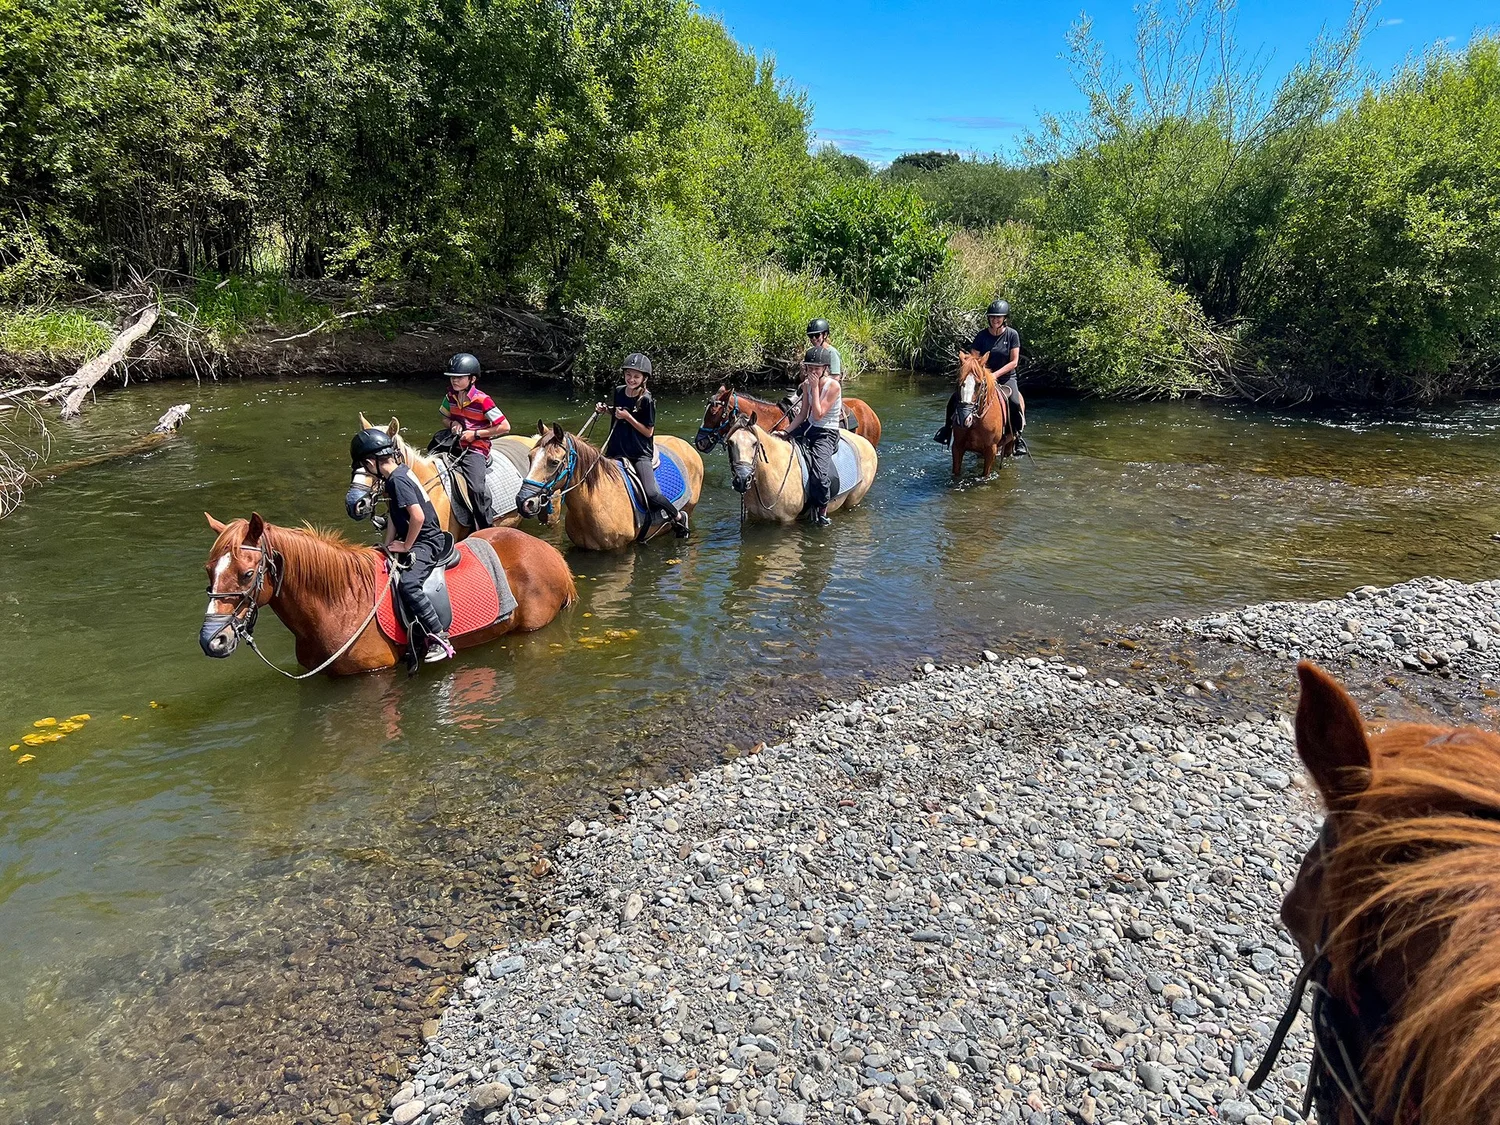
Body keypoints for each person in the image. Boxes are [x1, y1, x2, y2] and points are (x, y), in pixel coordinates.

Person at [350, 428, 455, 663]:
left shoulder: (397, 481)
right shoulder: (398, 474)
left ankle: (440, 636)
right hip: (414, 537)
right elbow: (395, 517)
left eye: (364, 467)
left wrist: (407, 546)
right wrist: (385, 546)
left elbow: (416, 517)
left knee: (409, 584)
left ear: (370, 463)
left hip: (426, 542)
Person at [596, 353, 689, 538]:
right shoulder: (619, 391)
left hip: (639, 452)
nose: (631, 379)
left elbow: (648, 432)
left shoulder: (646, 400)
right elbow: (618, 412)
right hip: (616, 447)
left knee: (651, 493)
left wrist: (628, 417)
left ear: (644, 378)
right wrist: (606, 410)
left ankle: (678, 517)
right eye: (628, 375)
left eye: (636, 376)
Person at [935, 299, 1027, 454]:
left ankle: (1017, 437)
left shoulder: (1012, 335)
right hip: (981, 378)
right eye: (992, 317)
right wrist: (976, 372)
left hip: (1005, 378)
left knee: (1015, 402)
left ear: (1005, 318)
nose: (995, 320)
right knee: (954, 399)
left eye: (998, 317)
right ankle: (947, 430)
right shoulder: (981, 336)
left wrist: (995, 374)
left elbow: (1014, 362)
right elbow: (974, 360)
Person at [438, 352, 509, 528]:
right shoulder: (449, 397)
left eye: (459, 377)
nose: (454, 381)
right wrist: (452, 423)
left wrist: (475, 434)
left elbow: (505, 426)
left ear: (472, 379)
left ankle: (486, 528)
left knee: (477, 488)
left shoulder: (483, 400)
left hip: (476, 447)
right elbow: (444, 418)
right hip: (454, 442)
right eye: (452, 377)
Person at [783, 345, 842, 526]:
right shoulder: (808, 384)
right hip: (809, 426)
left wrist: (815, 388)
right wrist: (786, 431)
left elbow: (818, 414)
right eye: (810, 368)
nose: (813, 371)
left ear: (825, 368)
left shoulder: (833, 387)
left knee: (819, 474)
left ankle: (822, 510)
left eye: (816, 368)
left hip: (826, 432)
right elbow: (803, 415)